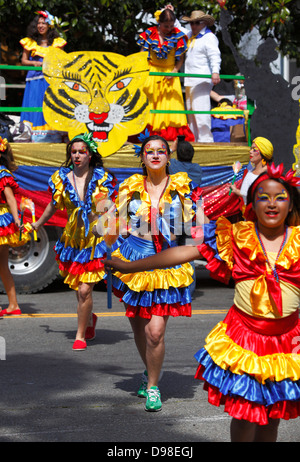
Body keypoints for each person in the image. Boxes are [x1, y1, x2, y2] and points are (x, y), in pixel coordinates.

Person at [105, 162, 300, 441]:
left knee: (272, 418)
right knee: (245, 415)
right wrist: (131, 267)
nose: (272, 204)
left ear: (291, 206)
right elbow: (184, 252)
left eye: (280, 197)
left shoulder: (298, 242)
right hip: (244, 340)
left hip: (286, 343)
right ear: (251, 205)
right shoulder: (237, 237)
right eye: (263, 198)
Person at [109, 134, 203, 412]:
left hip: (166, 263)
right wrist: (104, 244)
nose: (155, 155)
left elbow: (196, 226)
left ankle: (152, 386)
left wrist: (200, 245)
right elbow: (112, 223)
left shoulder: (183, 188)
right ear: (142, 157)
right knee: (139, 327)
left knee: (155, 332)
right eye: (149, 151)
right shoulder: (129, 187)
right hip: (134, 260)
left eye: (161, 150)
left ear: (168, 157)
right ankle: (148, 370)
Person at [30, 133, 120, 351]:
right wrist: (39, 223)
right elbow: (53, 204)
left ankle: (80, 335)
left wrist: (106, 221)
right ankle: (88, 318)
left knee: (84, 291)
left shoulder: (101, 178)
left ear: (90, 155)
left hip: (94, 239)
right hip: (72, 239)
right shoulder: (62, 178)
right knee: (77, 285)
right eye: (74, 152)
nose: (78, 155)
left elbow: (109, 206)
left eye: (82, 151)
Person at [137, 8, 194, 142]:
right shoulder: (150, 34)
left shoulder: (178, 36)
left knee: (170, 105)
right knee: (150, 104)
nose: (168, 28)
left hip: (169, 74)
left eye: (171, 25)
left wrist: (175, 71)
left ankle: (170, 136)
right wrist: (141, 70)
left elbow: (181, 59)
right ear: (159, 23)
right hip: (151, 73)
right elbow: (141, 55)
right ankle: (147, 135)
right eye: (165, 26)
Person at [20, 10, 67, 142]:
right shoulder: (30, 42)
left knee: (49, 103)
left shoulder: (57, 42)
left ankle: (52, 133)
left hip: (50, 79)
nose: (40, 26)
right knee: (35, 103)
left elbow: (63, 60)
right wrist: (34, 62)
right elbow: (23, 61)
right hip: (35, 78)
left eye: (43, 23)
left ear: (49, 26)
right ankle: (33, 134)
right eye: (38, 24)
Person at [180, 10, 221, 142]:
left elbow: (215, 56)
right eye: (191, 23)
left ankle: (206, 140)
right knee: (191, 112)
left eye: (197, 23)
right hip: (190, 80)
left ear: (204, 24)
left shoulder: (209, 37)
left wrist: (215, 71)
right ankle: (195, 140)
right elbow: (178, 29)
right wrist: (170, 13)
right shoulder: (191, 35)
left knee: (201, 111)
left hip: (201, 79)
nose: (193, 26)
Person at [0, 137, 31, 316]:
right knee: (2, 265)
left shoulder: (1, 172)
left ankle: (13, 304)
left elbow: (11, 198)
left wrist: (16, 219)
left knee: (2, 264)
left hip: (1, 218)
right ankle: (13, 305)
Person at [231, 136, 274, 204]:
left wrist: (237, 191)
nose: (250, 151)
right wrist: (236, 190)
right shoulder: (251, 170)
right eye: (251, 148)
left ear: (263, 152)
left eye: (254, 150)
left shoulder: (269, 175)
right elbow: (247, 194)